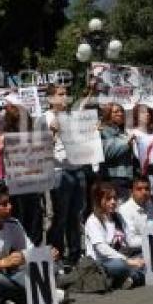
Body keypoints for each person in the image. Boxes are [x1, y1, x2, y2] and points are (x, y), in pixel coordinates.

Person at [0, 182, 59, 304]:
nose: (10, 207)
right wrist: (3, 263)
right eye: (4, 204)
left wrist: (45, 255)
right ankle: (34, 296)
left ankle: (18, 299)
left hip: (10, 278)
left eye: (9, 202)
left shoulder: (13, 224)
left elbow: (30, 251)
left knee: (52, 267)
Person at [45, 84, 87, 266]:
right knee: (60, 216)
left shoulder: (71, 116)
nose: (65, 97)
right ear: (50, 99)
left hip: (76, 170)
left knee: (75, 215)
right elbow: (41, 149)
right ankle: (57, 255)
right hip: (58, 172)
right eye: (61, 94)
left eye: (66, 94)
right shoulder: (44, 118)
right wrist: (53, 132)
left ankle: (75, 255)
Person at [0, 94, 45, 245]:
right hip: (16, 184)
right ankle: (21, 252)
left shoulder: (32, 134)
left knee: (33, 219)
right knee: (21, 218)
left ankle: (34, 253)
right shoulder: (4, 136)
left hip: (30, 183)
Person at [84, 182, 144, 289]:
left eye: (114, 198)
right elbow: (102, 249)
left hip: (121, 257)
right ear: (98, 200)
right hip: (101, 263)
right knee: (121, 265)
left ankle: (130, 278)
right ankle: (133, 276)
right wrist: (128, 261)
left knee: (146, 255)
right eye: (108, 199)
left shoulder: (117, 217)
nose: (113, 202)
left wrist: (151, 241)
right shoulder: (93, 221)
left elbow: (130, 241)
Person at [98, 104, 135, 202]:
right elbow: (106, 153)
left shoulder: (122, 131)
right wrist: (126, 142)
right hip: (113, 178)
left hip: (126, 178)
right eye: (116, 111)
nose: (120, 113)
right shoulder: (102, 130)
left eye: (121, 111)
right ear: (108, 114)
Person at [117, 178, 153, 254]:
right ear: (132, 192)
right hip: (132, 254)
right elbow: (131, 241)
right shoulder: (124, 210)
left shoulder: (151, 206)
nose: (144, 192)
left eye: (147, 189)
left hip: (152, 248)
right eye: (139, 189)